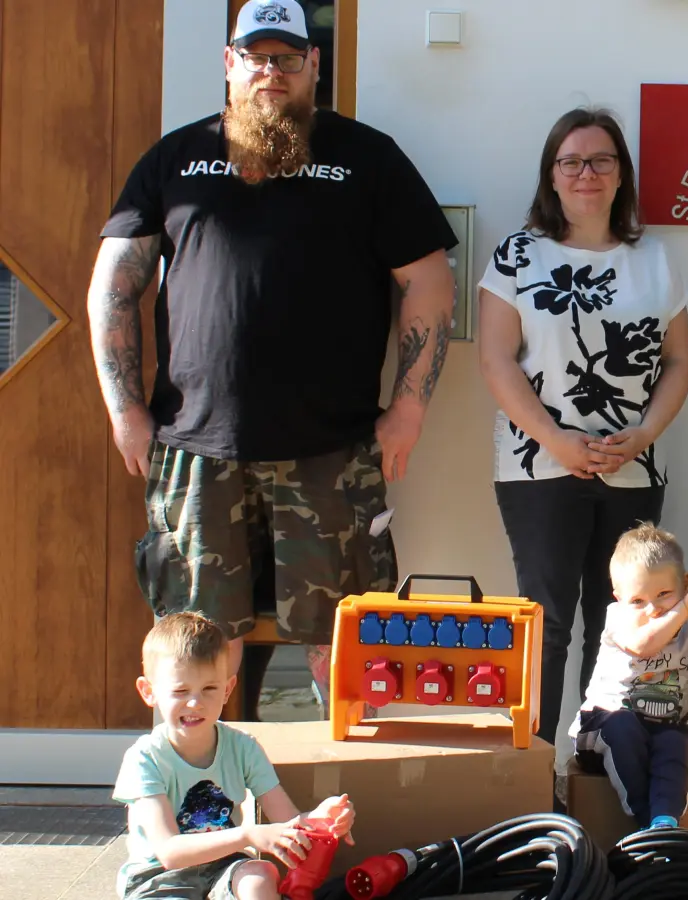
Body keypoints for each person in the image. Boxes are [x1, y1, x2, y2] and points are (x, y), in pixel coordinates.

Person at [89, 0, 458, 708]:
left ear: (313, 66)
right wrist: (124, 408)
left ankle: (343, 803)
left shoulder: (368, 158)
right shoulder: (175, 158)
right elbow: (113, 286)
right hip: (196, 451)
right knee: (200, 648)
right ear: (230, 64)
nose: (271, 71)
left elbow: (428, 286)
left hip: (334, 452)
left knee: (346, 645)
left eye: (287, 57)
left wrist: (409, 408)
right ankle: (210, 806)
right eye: (256, 57)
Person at [478, 108, 688, 746]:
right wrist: (556, 439)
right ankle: (536, 773)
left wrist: (647, 432)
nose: (586, 173)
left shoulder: (654, 259)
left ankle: (603, 765)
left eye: (601, 160)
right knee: (547, 623)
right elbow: (495, 360)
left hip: (634, 467)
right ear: (551, 176)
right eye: (570, 161)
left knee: (627, 620)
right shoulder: (519, 254)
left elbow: (679, 361)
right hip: (538, 467)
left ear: (621, 173)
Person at [113, 612, 356, 900]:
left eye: (209, 689)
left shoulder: (243, 748)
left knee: (260, 875)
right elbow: (169, 852)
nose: (195, 702)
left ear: (227, 689)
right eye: (180, 690)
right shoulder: (145, 758)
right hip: (159, 879)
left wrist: (321, 820)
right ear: (149, 691)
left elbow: (288, 822)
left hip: (222, 867)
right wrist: (248, 834)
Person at [567, 523, 688, 831]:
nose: (652, 609)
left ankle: (664, 822)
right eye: (638, 601)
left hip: (662, 732)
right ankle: (644, 820)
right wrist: (685, 607)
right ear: (619, 598)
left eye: (664, 594)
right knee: (622, 727)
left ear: (685, 583)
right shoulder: (618, 619)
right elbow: (642, 645)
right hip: (602, 729)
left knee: (679, 742)